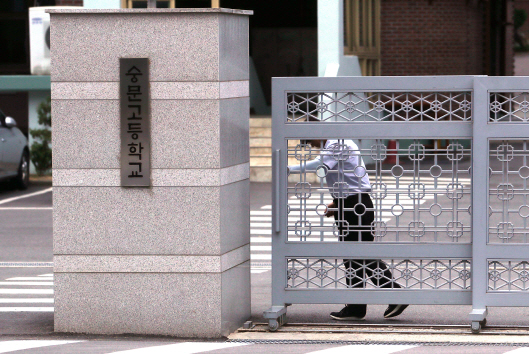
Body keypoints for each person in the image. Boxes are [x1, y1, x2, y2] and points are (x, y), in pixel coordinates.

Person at [289, 138, 408, 320]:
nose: (311, 145)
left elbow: (321, 166)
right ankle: (357, 307)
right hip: (350, 203)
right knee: (354, 256)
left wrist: (290, 169)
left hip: (356, 205)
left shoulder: (338, 143)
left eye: (308, 140)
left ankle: (394, 295)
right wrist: (337, 203)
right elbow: (345, 178)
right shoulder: (338, 143)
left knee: (360, 254)